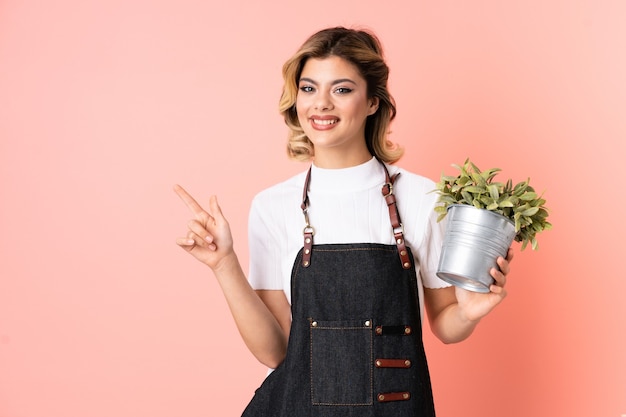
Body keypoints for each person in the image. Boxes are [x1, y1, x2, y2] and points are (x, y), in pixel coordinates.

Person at [174, 26, 513, 417]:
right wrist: (224, 264)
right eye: (308, 88)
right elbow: (275, 351)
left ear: (372, 102)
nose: (321, 104)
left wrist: (468, 311)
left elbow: (445, 326)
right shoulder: (272, 205)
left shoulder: (422, 198)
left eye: (342, 89)